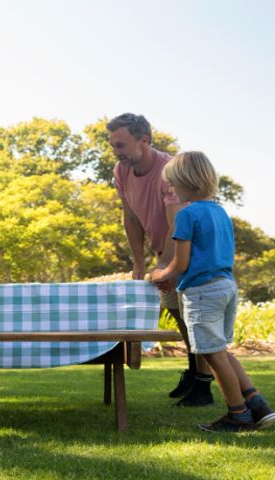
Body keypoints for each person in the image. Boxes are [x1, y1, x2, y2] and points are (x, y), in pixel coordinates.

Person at [151, 151, 275, 432]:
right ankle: (257, 404)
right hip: (226, 286)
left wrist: (161, 274)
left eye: (172, 183)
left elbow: (180, 262)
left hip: (202, 292)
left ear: (185, 182)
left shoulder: (187, 214)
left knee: (212, 355)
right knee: (221, 350)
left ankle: (238, 415)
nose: (170, 189)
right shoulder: (219, 212)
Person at [107, 113, 214, 407]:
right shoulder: (121, 171)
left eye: (121, 144)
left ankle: (204, 386)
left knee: (195, 320)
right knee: (180, 318)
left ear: (144, 140)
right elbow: (130, 216)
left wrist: (166, 268)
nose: (116, 152)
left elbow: (176, 223)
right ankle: (194, 373)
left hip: (189, 254)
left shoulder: (169, 169)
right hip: (162, 253)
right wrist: (139, 263)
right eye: (113, 145)